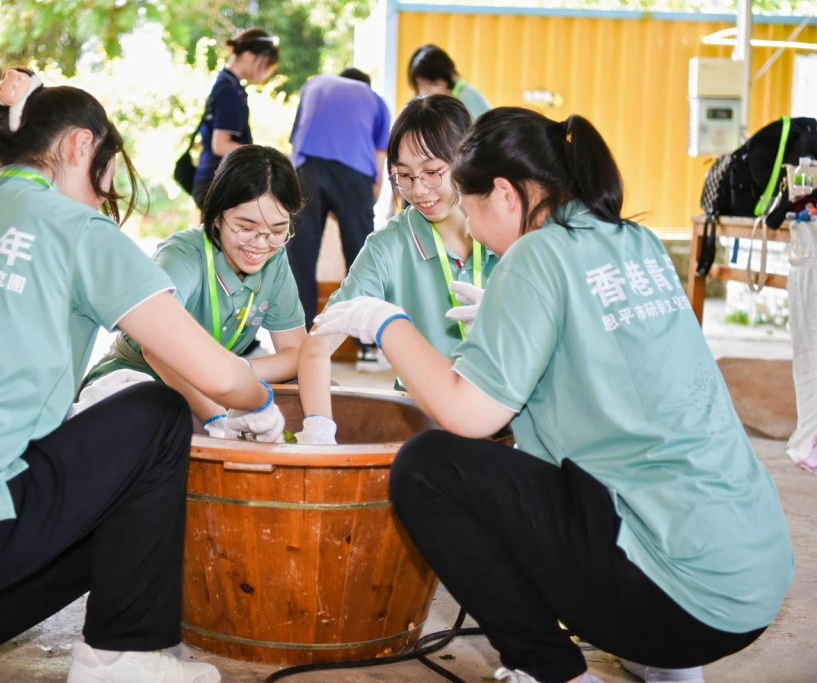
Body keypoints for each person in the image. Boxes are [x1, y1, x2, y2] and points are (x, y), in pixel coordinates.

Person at [311, 107, 794, 683]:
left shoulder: (534, 254)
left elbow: (467, 415)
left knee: (428, 468)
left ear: (506, 195)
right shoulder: (632, 239)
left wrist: (388, 323)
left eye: (470, 206)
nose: (468, 221)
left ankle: (552, 670)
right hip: (753, 576)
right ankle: (666, 663)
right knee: (555, 463)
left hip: (680, 601)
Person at [0, 68, 285, 683]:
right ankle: (125, 652)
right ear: (81, 146)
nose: (106, 193)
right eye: (108, 170)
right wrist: (262, 402)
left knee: (108, 493)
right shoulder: (77, 229)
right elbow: (211, 372)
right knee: (155, 415)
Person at [295, 95, 493, 444]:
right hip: (423, 421)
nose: (418, 190)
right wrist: (319, 426)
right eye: (403, 175)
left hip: (503, 410)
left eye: (432, 173)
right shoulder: (388, 246)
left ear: (467, 158)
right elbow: (317, 346)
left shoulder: (505, 230)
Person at [82, 144, 307, 437]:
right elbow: (157, 348)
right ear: (216, 216)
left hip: (214, 385)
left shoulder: (274, 260)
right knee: (174, 424)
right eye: (245, 227)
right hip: (141, 382)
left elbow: (296, 353)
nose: (261, 244)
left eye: (277, 231)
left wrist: (238, 372)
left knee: (318, 394)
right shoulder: (183, 256)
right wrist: (218, 420)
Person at [285, 67, 391, 331]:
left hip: (307, 169)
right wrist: (362, 206)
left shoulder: (314, 85)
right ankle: (365, 341)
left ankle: (300, 333)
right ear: (365, 85)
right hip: (355, 174)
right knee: (360, 255)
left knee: (302, 257)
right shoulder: (376, 100)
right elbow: (379, 164)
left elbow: (295, 142)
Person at [191, 27, 280, 209]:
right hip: (216, 183)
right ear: (248, 55)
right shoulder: (230, 91)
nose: (266, 72)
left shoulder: (227, 84)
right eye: (265, 63)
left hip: (214, 179)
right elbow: (221, 145)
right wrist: (265, 156)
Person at [407, 44, 490, 120]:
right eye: (420, 85)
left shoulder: (464, 100)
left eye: (432, 84)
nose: (425, 92)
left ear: (449, 78)